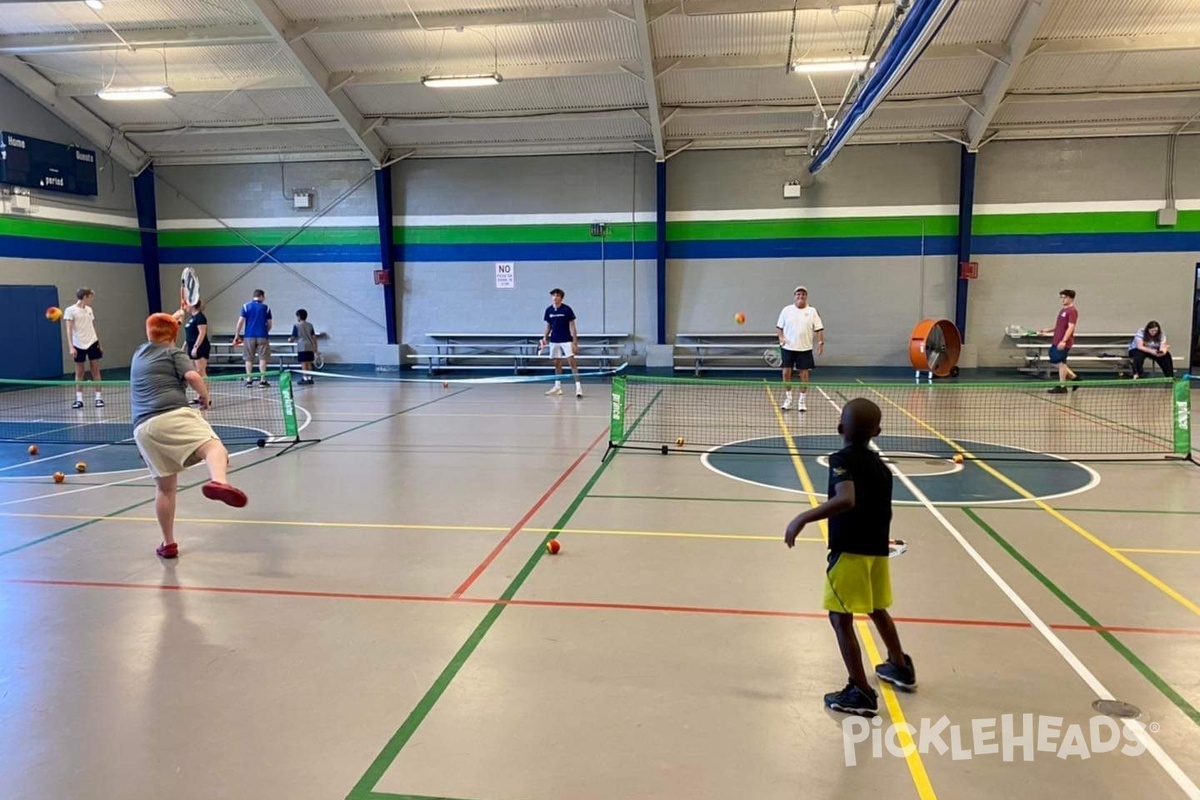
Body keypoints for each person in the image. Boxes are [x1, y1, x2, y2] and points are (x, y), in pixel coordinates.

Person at [784, 398, 916, 716]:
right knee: (875, 607)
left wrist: (802, 518)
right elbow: (886, 508)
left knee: (839, 618)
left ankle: (861, 691)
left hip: (851, 550)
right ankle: (899, 665)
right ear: (878, 431)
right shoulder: (883, 468)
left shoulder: (841, 459)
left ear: (840, 428)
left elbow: (846, 499)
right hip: (875, 549)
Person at [131, 313, 248, 559]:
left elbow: (160, 326)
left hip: (143, 429)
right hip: (173, 413)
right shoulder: (174, 353)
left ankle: (168, 543)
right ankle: (219, 481)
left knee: (165, 489)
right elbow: (193, 375)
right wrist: (205, 396)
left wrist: (176, 317)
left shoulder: (139, 353)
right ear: (175, 336)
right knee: (214, 448)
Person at [775, 286, 824, 412]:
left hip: (805, 348)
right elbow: (779, 327)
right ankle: (788, 398)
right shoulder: (786, 310)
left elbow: (819, 329)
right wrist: (781, 338)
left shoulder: (812, 311)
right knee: (786, 372)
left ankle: (802, 401)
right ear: (794, 296)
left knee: (804, 374)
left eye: (803, 294)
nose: (800, 296)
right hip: (788, 347)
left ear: (806, 296)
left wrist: (820, 342)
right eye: (798, 294)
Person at [62, 287, 104, 409]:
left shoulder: (89, 310)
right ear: (85, 296)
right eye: (91, 297)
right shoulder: (70, 310)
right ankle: (79, 400)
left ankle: (98, 398)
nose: (92, 299)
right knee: (79, 372)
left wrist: (99, 343)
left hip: (92, 342)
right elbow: (69, 330)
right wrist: (71, 347)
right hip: (78, 344)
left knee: (95, 370)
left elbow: (91, 327)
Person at [539, 288, 582, 398]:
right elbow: (548, 326)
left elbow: (573, 326)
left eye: (557, 296)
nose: (555, 298)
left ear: (561, 298)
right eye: (553, 296)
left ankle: (578, 388)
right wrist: (544, 337)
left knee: (572, 362)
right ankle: (557, 387)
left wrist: (575, 342)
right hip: (554, 340)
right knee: (557, 363)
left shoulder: (567, 310)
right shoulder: (549, 310)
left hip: (566, 339)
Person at [1038, 289, 1081, 393]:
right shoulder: (1063, 310)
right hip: (1056, 340)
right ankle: (1075, 379)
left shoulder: (1072, 311)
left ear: (1071, 298)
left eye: (1065, 297)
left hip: (1063, 342)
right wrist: (1047, 330)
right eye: (1061, 297)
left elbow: (1071, 327)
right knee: (1059, 362)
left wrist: (1064, 340)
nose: (1062, 299)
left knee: (1058, 362)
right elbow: (1059, 326)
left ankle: (1063, 386)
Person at [234, 289, 273, 387]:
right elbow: (269, 324)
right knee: (263, 358)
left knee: (248, 358)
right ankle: (263, 380)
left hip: (249, 336)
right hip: (262, 336)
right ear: (261, 296)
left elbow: (240, 322)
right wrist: (265, 331)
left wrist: (237, 335)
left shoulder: (246, 307)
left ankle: (249, 380)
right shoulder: (266, 308)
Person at [184, 300, 210, 387]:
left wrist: (196, 347)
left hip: (201, 347)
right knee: (195, 373)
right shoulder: (191, 318)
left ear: (192, 305)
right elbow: (190, 334)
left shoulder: (200, 317)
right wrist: (184, 346)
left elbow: (202, 333)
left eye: (187, 304)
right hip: (191, 347)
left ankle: (206, 397)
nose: (185, 307)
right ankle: (200, 395)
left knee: (201, 371)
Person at [290, 308, 319, 385]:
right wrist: (315, 346)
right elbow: (313, 337)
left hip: (302, 346)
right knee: (309, 362)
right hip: (310, 346)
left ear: (299, 317)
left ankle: (304, 377)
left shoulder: (296, 325)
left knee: (303, 363)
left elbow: (293, 336)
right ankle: (310, 378)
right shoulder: (310, 325)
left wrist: (290, 340)